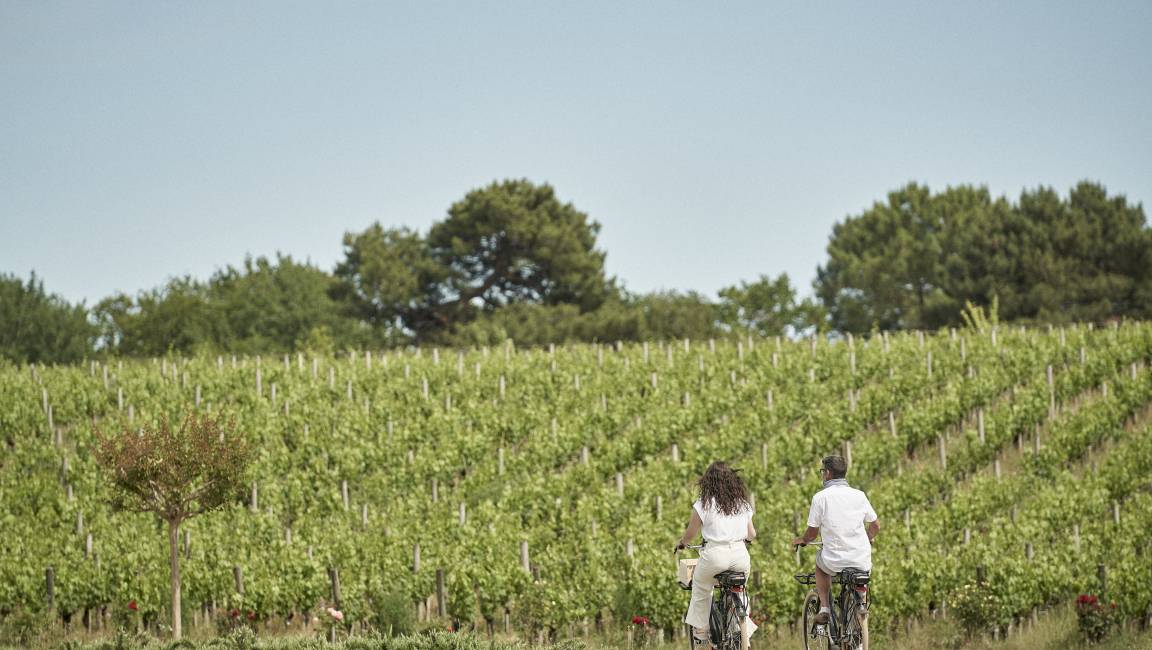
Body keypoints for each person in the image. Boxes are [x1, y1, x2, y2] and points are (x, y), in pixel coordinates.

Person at [675, 462, 757, 647]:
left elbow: (690, 534)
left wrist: (682, 543)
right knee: (741, 588)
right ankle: (741, 626)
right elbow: (752, 534)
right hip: (740, 556)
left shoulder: (703, 504)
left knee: (701, 585)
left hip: (714, 556)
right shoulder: (742, 504)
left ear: (708, 481)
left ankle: (701, 629)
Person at [791, 455, 879, 625]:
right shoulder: (859, 495)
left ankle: (824, 608)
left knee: (820, 564)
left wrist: (802, 540)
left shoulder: (820, 498)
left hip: (834, 560)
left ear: (828, 473)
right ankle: (860, 602)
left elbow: (812, 534)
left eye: (822, 471)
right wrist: (867, 538)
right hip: (860, 558)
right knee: (861, 573)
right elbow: (875, 525)